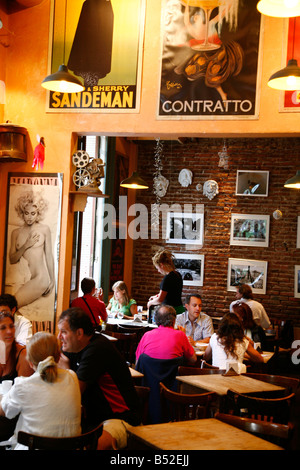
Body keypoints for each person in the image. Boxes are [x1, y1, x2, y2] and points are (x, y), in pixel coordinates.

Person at [57, 307, 141, 450]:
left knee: (90, 448)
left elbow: (73, 393)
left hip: (121, 419)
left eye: (63, 332)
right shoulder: (73, 348)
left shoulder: (97, 349)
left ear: (79, 333)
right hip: (93, 419)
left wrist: (65, 367)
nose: (59, 337)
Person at [0, 332, 82, 450]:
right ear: (59, 356)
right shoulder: (72, 377)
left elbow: (5, 411)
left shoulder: (23, 386)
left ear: (30, 362)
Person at [8, 190, 55, 308]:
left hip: (41, 278)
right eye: (26, 213)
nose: (29, 217)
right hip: (28, 278)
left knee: (13, 305)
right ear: (21, 212)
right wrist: (26, 245)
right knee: (11, 306)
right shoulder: (16, 233)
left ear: (38, 213)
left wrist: (53, 279)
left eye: (33, 213)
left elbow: (49, 255)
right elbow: (12, 259)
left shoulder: (44, 229)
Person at [0, 310, 34, 443]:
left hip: (14, 417)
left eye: (11, 326)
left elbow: (24, 399)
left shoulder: (23, 355)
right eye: (3, 328)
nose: (9, 331)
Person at [147, 249, 184, 314]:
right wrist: (156, 296)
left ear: (161, 265)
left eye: (158, 268)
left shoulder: (167, 278)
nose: (158, 271)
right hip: (180, 309)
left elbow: (160, 300)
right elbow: (170, 293)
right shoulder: (178, 275)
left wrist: (150, 303)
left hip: (170, 312)